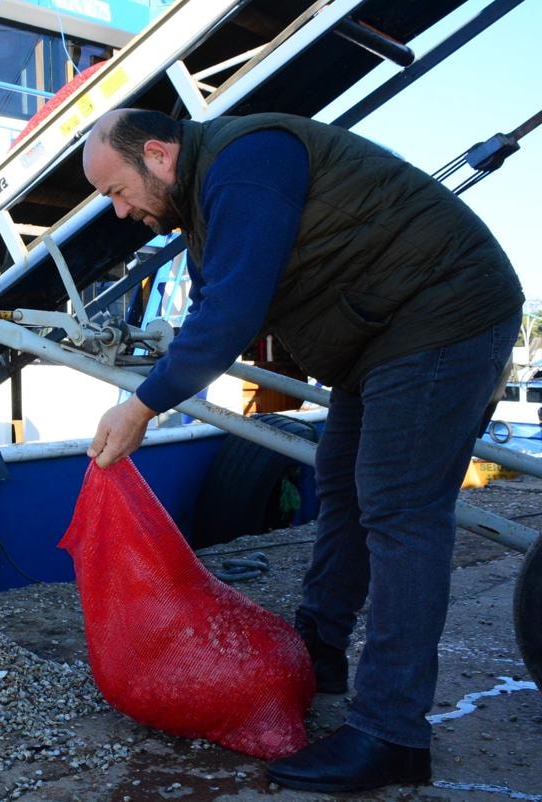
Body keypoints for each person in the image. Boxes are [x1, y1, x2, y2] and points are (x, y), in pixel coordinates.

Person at [82, 109, 523, 793]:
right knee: (342, 487)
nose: (119, 211)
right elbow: (210, 306)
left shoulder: (246, 162)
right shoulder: (204, 205)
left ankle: (391, 735)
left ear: (160, 156)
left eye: (117, 190)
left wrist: (142, 405)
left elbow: (231, 314)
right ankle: (320, 653)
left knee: (400, 512)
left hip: (441, 313)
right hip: (378, 340)